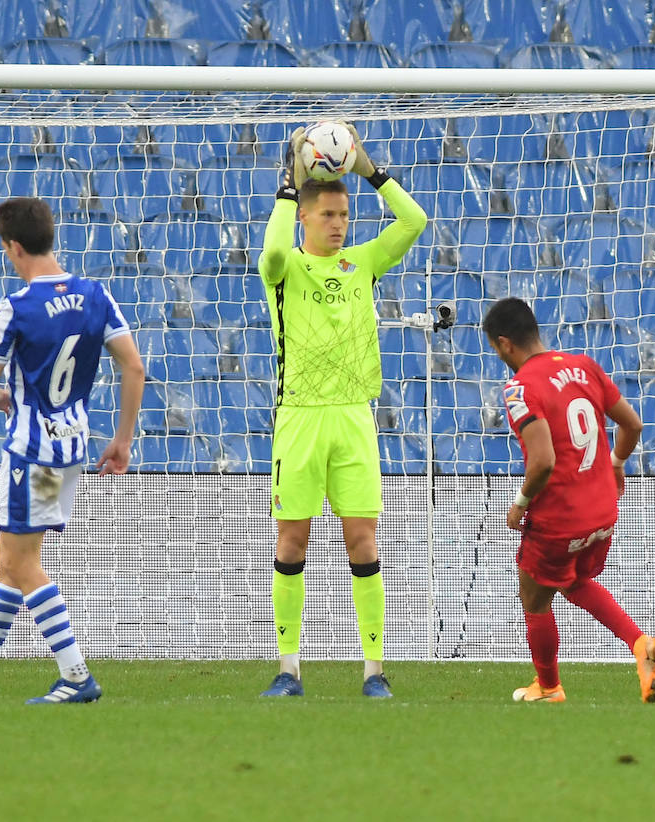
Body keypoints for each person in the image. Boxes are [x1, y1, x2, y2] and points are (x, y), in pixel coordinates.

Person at [0, 197, 144, 704]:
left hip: (31, 453)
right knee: (13, 558)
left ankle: (77, 676)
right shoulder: (95, 295)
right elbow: (133, 367)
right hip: (71, 450)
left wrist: (2, 400)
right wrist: (123, 439)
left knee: (23, 565)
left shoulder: (17, 307)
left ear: (13, 246)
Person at [255, 123, 427, 698]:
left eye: (344, 215)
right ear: (305, 215)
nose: (337, 224)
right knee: (291, 543)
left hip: (354, 417)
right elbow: (276, 247)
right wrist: (289, 182)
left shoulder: (363, 264)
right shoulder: (283, 272)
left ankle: (374, 672)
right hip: (300, 418)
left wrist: (369, 170)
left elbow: (414, 223)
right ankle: (288, 669)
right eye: (327, 214)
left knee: (363, 541)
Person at [481, 297, 655, 704]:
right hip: (602, 512)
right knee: (575, 580)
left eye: (496, 350)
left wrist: (519, 502)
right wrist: (617, 462)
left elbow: (544, 460)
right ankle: (640, 644)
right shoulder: (584, 366)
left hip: (560, 516)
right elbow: (633, 424)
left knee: (533, 596)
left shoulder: (519, 388)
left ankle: (548, 687)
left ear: (504, 344)